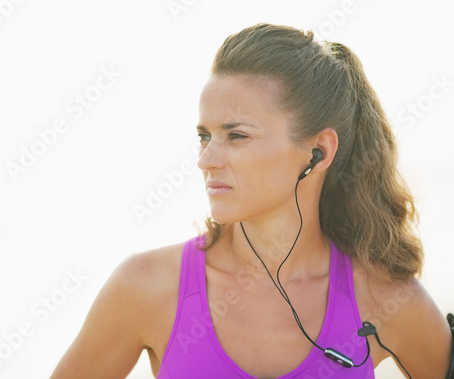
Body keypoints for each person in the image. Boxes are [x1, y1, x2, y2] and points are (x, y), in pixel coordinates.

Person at [50, 23, 452, 378]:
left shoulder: (385, 297)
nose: (205, 161)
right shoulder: (146, 285)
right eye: (204, 136)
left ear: (319, 152)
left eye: (236, 136)